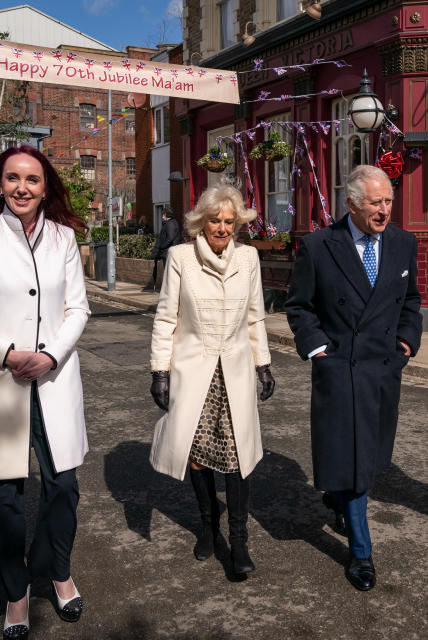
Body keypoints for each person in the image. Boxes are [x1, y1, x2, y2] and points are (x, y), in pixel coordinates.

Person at [0, 145, 91, 639]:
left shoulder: (64, 239)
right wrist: (6, 354)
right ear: (0, 183)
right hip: (0, 383)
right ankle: (16, 592)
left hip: (54, 378)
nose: (22, 188)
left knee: (63, 487)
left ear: (45, 186)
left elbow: (78, 310)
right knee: (4, 498)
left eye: (32, 179)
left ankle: (57, 569)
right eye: (12, 178)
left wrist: (49, 355)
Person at [285, 165, 423, 591]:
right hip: (340, 368)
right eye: (375, 203)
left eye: (388, 202)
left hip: (382, 368)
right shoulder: (319, 246)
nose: (384, 211)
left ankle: (340, 500)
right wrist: (318, 349)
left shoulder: (402, 242)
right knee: (356, 460)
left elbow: (412, 300)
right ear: (351, 204)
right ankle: (361, 551)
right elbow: (299, 307)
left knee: (370, 455)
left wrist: (406, 341)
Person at [148, 184, 275, 576]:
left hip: (234, 373)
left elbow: (255, 316)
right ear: (201, 222)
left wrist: (263, 364)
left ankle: (239, 542)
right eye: (215, 221)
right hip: (194, 371)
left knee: (238, 459)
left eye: (228, 221)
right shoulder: (181, 258)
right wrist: (159, 371)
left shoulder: (249, 259)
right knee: (198, 457)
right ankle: (207, 526)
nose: (222, 228)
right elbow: (167, 318)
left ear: (237, 225)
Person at [150, 207, 180, 290]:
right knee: (169, 272)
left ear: (165, 215)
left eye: (163, 214)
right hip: (168, 252)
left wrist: (162, 246)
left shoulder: (170, 224)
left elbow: (170, 238)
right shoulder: (172, 223)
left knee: (169, 272)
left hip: (167, 252)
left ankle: (170, 290)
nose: (162, 216)